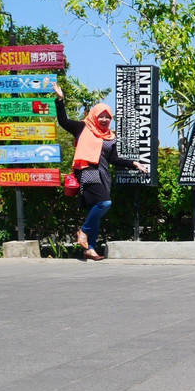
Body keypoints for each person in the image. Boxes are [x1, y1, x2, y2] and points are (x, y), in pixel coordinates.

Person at [53, 82, 147, 260]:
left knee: (96, 210)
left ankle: (90, 249)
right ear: (94, 115)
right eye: (101, 116)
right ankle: (83, 232)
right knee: (105, 204)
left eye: (107, 117)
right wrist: (60, 99)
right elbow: (63, 121)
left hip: (103, 175)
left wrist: (134, 163)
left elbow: (113, 159)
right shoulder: (83, 128)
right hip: (87, 172)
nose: (104, 120)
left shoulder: (111, 137)